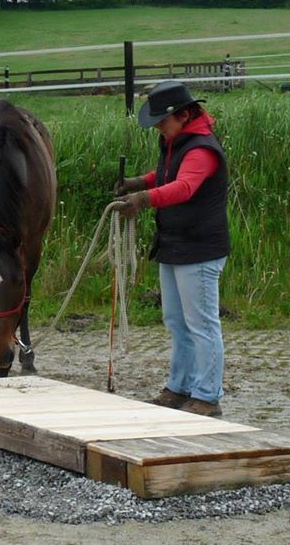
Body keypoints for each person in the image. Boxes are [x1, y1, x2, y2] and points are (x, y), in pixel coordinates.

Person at [114, 80, 230, 417]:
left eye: (161, 122)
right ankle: (181, 387)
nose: (158, 130)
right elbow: (167, 173)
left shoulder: (201, 149)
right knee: (176, 321)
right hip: (176, 243)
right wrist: (141, 181)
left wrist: (143, 198)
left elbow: (184, 185)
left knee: (202, 324)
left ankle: (207, 395)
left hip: (199, 247)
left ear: (180, 116)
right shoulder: (178, 143)